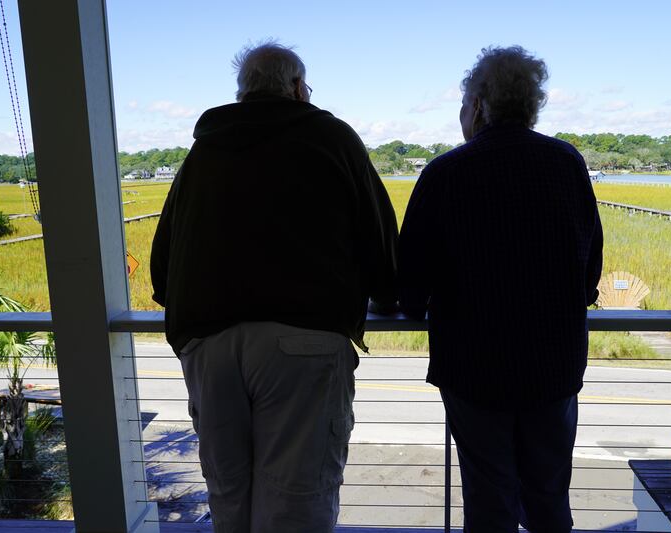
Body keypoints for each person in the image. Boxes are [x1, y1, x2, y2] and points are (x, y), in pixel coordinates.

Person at [150, 41, 398, 533]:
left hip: (208, 344)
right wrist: (390, 295)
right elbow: (380, 243)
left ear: (243, 93)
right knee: (297, 502)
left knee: (229, 498)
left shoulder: (205, 149)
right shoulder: (332, 138)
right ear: (296, 87)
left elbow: (163, 266)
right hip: (303, 342)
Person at [398, 46, 603, 533]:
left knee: (489, 499)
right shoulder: (565, 162)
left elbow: (409, 283)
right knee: (549, 494)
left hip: (474, 369)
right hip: (553, 363)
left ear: (479, 104)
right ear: (531, 105)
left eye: (465, 101)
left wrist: (413, 305)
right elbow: (589, 263)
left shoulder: (446, 172)